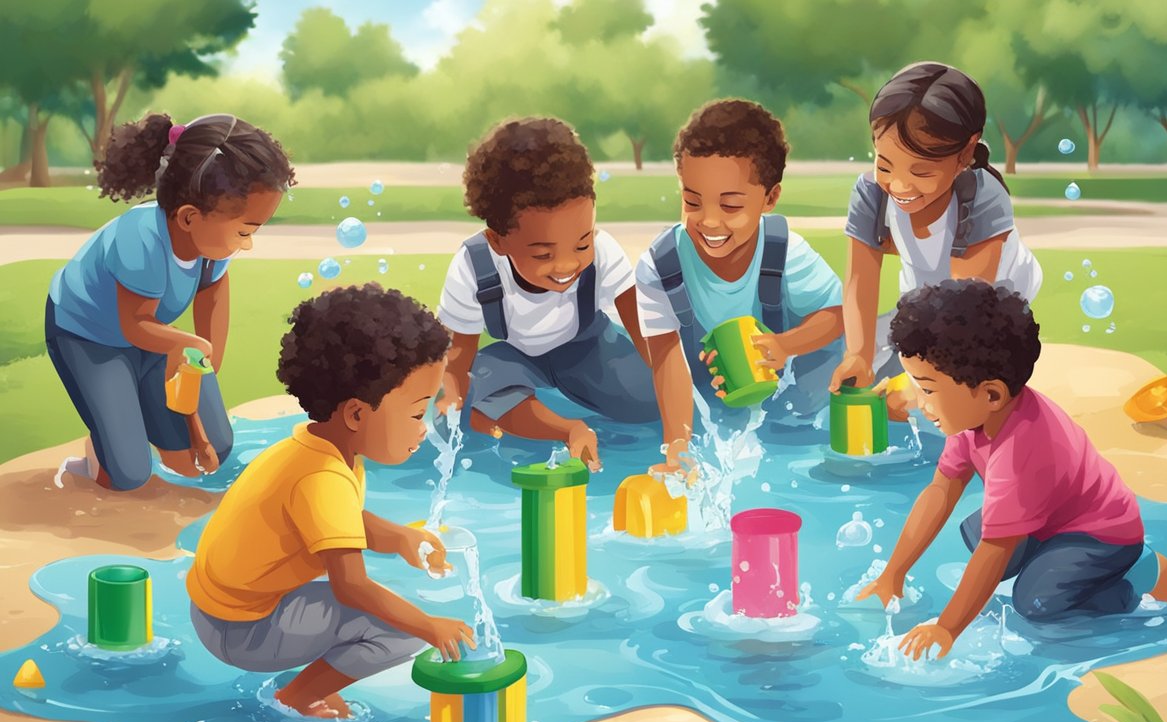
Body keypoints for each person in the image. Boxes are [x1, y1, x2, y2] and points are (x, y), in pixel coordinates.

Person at [857, 280, 1167, 660]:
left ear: (992, 393)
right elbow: (940, 492)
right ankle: (1057, 563)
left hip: (1101, 535)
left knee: (1035, 602)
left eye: (928, 391)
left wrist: (946, 626)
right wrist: (893, 574)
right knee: (977, 528)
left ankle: (1142, 571)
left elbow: (995, 550)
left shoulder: (1023, 447)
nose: (919, 405)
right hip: (1050, 518)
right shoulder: (974, 417)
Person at [188, 284, 476, 718]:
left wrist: (398, 538)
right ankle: (297, 698)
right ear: (358, 414)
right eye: (417, 413)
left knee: (390, 614)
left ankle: (305, 684)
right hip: (242, 632)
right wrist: (431, 626)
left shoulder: (317, 449)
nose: (425, 428)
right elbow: (352, 587)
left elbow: (336, 521)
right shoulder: (324, 477)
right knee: (401, 635)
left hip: (219, 611)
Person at [48, 112, 294, 490]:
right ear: (189, 217)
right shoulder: (140, 239)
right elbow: (135, 323)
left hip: (155, 335)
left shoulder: (215, 238)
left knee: (212, 453)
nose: (247, 243)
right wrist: (188, 344)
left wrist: (205, 364)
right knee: (128, 475)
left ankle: (135, 419)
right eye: (245, 231)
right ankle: (101, 450)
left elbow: (212, 290)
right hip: (88, 336)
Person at [634, 99, 844, 476]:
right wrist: (678, 446)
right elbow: (667, 362)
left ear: (770, 198)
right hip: (712, 380)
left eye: (730, 206)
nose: (709, 221)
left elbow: (835, 316)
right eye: (691, 201)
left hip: (789, 377)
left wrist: (784, 346)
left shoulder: (785, 251)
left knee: (793, 430)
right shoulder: (660, 265)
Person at [435, 117, 658, 471]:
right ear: (499, 241)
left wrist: (669, 381)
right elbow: (458, 354)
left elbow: (647, 334)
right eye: (543, 254)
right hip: (515, 358)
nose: (567, 265)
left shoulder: (604, 252)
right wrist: (454, 399)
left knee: (652, 397)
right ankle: (565, 428)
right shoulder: (473, 266)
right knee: (477, 387)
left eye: (582, 243)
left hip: (588, 349)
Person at [831, 62, 1043, 420]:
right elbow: (860, 280)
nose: (899, 186)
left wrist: (916, 389)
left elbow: (965, 310)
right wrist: (859, 355)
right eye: (885, 166)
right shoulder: (870, 192)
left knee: (958, 401)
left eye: (921, 171)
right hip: (923, 297)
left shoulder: (981, 197)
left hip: (991, 303)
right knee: (858, 376)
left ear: (964, 154)